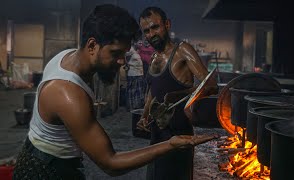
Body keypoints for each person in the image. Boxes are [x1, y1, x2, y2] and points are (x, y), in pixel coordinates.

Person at [12, 4, 218, 180]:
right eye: (115, 53)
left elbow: (206, 84)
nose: (121, 62)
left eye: (124, 53)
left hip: (48, 159)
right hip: (46, 170)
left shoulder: (67, 57)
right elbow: (110, 163)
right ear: (92, 45)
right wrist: (171, 145)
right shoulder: (68, 94)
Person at [137, 7, 218, 180]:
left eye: (155, 27)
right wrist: (144, 116)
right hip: (156, 133)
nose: (151, 34)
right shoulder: (153, 58)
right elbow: (153, 92)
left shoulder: (182, 50)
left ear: (167, 25)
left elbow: (210, 85)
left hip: (179, 133)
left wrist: (185, 98)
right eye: (146, 31)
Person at [125, 45, 146, 110]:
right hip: (133, 74)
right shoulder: (130, 50)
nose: (140, 43)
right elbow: (125, 56)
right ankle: (132, 106)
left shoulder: (136, 51)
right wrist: (127, 64)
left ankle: (137, 105)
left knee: (138, 91)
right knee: (133, 91)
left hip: (139, 74)